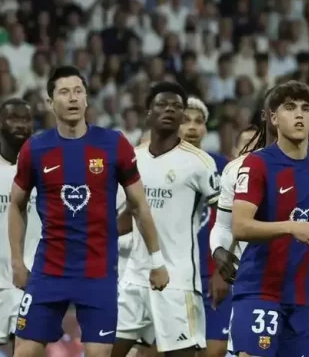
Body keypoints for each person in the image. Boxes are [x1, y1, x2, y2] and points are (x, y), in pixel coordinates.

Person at [7, 65, 168, 357]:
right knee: (24, 352)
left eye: (78, 91)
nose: (72, 98)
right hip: (49, 271)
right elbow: (16, 204)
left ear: (86, 99)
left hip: (98, 272)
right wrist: (18, 262)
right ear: (49, 102)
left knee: (98, 354)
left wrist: (157, 260)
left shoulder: (113, 144)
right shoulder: (35, 148)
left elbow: (139, 205)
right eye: (64, 92)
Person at [229, 80, 309, 357]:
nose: (299, 114)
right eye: (290, 108)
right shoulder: (256, 163)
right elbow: (240, 226)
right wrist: (291, 228)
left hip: (300, 296)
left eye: (306, 108)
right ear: (274, 118)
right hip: (259, 290)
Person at [113, 82, 220, 357]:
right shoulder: (132, 159)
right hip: (134, 277)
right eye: (162, 104)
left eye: (176, 106)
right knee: (104, 351)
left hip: (178, 281)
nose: (169, 109)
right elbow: (125, 216)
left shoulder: (200, 163)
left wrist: (224, 266)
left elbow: (226, 217)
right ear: (148, 113)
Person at [179, 97, 231, 357]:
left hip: (212, 271)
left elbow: (232, 221)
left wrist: (223, 271)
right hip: (175, 275)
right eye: (185, 120)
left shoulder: (222, 167)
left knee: (215, 349)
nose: (191, 127)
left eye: (198, 121)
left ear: (206, 129)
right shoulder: (159, 165)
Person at [0, 99, 36, 351]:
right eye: (14, 118)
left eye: (26, 119)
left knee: (24, 348)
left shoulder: (43, 169)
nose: (21, 125)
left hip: (24, 279)